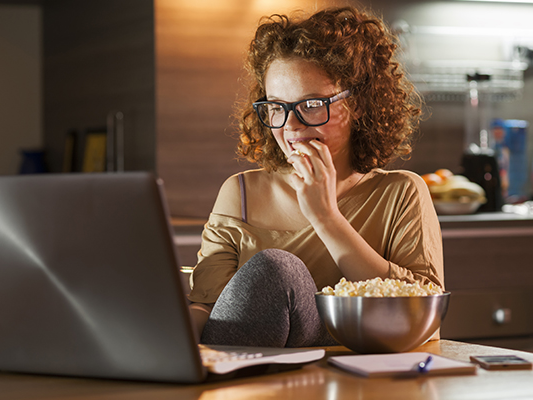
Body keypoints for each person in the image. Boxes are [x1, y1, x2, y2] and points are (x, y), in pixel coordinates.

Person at [187, 6, 444, 348]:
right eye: (276, 106)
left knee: (279, 268)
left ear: (359, 105)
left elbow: (420, 314)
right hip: (248, 377)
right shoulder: (241, 192)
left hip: (353, 375)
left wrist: (326, 217)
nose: (290, 126)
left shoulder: (400, 193)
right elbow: (207, 307)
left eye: (310, 105)